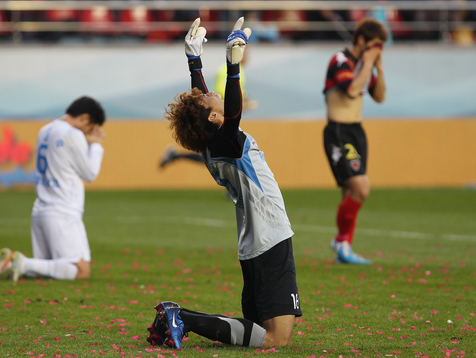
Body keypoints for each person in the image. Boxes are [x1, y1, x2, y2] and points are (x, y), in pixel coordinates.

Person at [148, 18, 302, 349]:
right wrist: (232, 68)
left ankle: (181, 318)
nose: (212, 94)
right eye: (211, 101)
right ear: (215, 119)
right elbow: (230, 113)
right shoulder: (225, 139)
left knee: (259, 331)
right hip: (270, 236)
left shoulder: (210, 141)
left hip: (253, 242)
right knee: (277, 339)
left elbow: (201, 104)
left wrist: (194, 59)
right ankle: (181, 317)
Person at [0, 96, 106, 281]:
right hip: (63, 211)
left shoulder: (46, 129)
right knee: (81, 271)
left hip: (41, 210)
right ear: (84, 118)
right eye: (90, 129)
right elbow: (90, 174)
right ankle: (22, 262)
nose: (87, 134)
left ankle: (13, 264)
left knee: (49, 270)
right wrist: (96, 146)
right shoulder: (72, 134)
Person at [322, 18, 388, 264]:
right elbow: (350, 89)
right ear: (361, 40)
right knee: (361, 188)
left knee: (349, 191)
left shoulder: (364, 66)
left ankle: (344, 248)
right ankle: (341, 242)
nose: (377, 51)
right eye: (375, 45)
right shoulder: (340, 60)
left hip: (356, 131)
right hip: (339, 130)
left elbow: (379, 97)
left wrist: (378, 68)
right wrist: (368, 62)